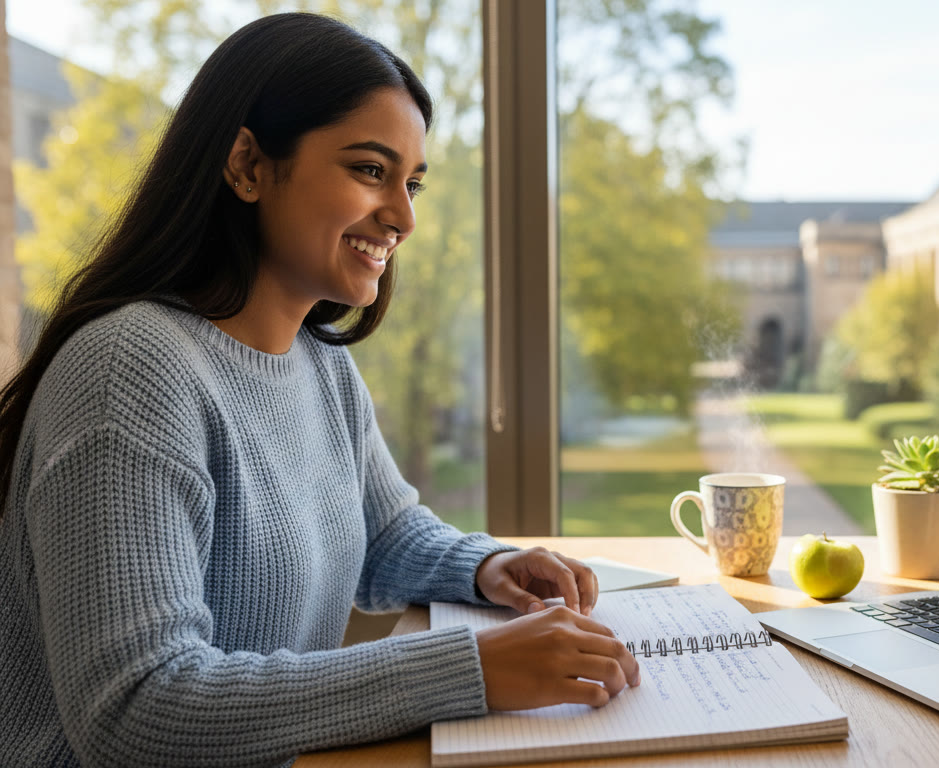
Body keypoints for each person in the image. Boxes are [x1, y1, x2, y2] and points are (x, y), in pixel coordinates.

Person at [0, 12, 638, 766]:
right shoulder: (127, 374)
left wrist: (483, 566)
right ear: (246, 165)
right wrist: (474, 670)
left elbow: (386, 532)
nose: (401, 216)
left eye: (412, 183)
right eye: (370, 170)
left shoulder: (319, 361)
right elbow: (138, 707)